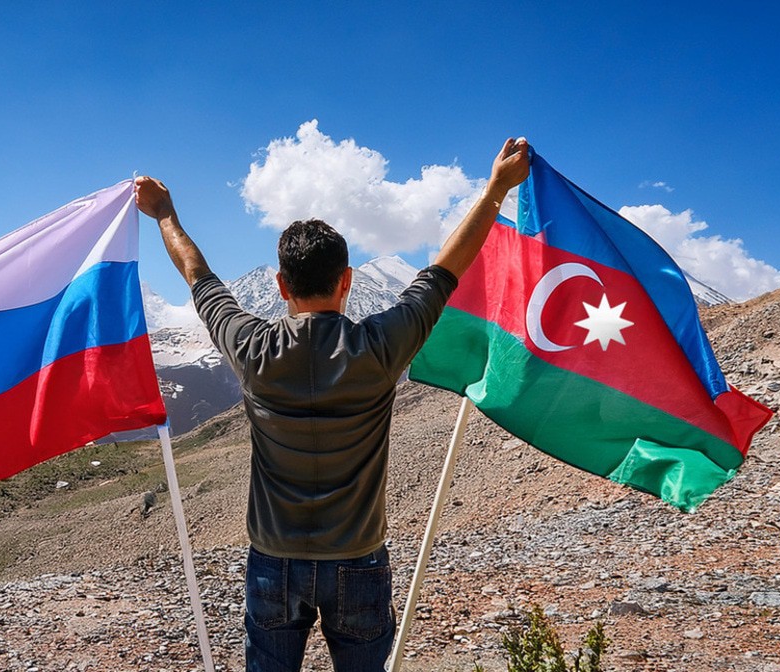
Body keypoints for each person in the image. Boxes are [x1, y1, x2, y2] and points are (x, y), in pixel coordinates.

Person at [135, 137, 530, 672]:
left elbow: (198, 277)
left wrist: (165, 214)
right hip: (359, 560)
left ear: (279, 284)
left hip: (273, 562)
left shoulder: (253, 349)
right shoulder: (381, 347)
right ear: (346, 281)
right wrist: (495, 190)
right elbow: (443, 272)